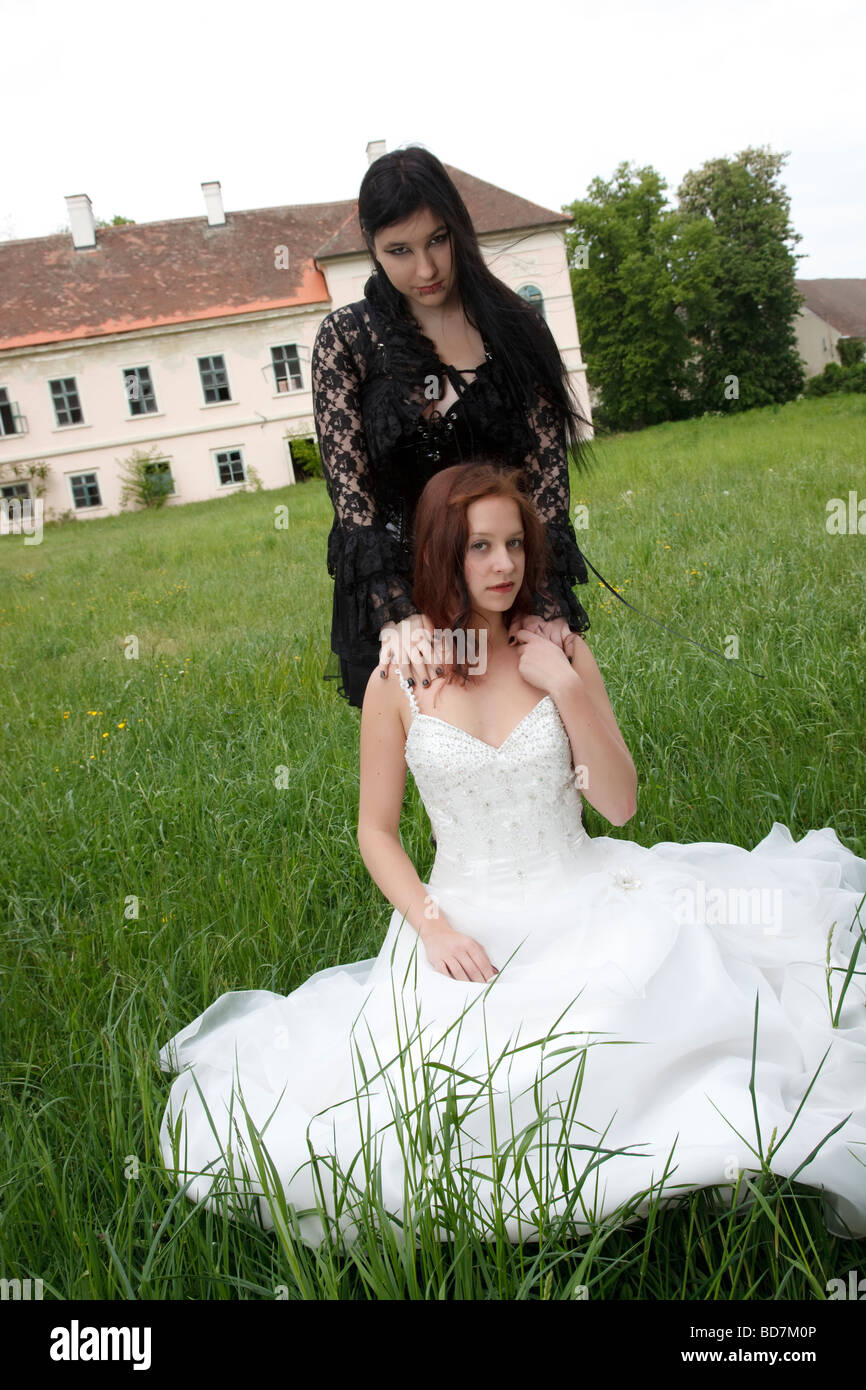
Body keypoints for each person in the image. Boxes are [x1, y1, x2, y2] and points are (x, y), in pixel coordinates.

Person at [157, 462, 866, 1249]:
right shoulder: (401, 679)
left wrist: (565, 685)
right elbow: (376, 831)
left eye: (515, 546)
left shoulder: (555, 653)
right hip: (464, 916)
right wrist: (433, 928)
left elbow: (621, 805)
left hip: (586, 886)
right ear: (440, 556)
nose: (503, 566)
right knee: (439, 1091)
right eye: (479, 548)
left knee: (632, 1017)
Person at [310, 145, 594, 709]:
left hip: (505, 584)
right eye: (399, 250)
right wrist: (398, 614)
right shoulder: (347, 340)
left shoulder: (518, 328)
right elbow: (354, 502)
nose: (426, 269)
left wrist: (544, 603)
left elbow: (547, 493)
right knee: (440, 770)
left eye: (438, 240)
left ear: (458, 228)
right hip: (404, 596)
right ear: (371, 245)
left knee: (535, 755)